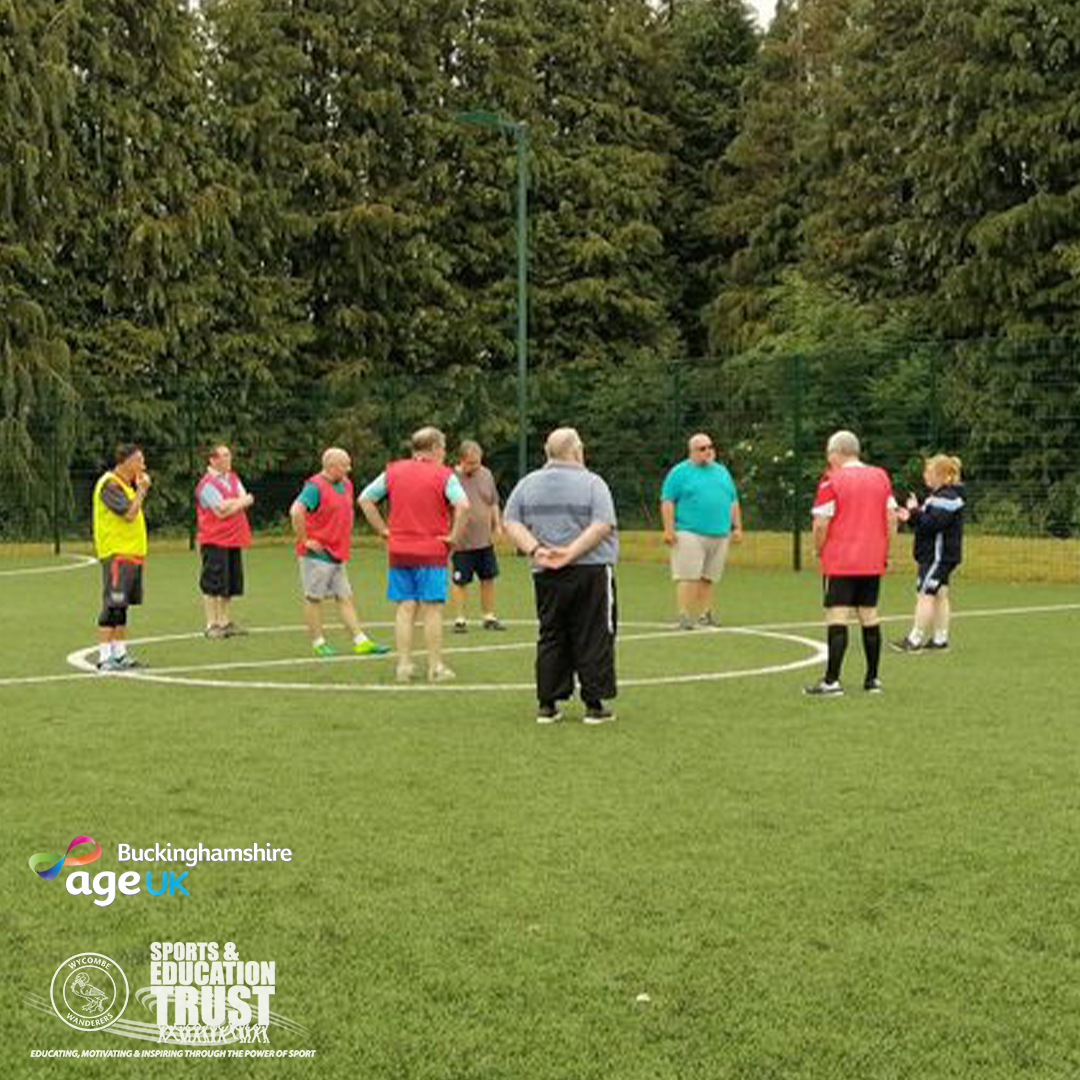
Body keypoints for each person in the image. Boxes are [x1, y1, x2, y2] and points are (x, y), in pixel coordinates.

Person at [503, 427, 618, 725]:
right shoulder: (593, 483)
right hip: (591, 569)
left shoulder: (527, 484)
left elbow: (510, 521)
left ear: (547, 452)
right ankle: (594, 704)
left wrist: (535, 549)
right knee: (594, 633)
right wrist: (572, 552)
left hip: (546, 572)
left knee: (552, 633)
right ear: (577, 450)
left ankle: (548, 704)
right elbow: (602, 524)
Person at [358, 427, 470, 683]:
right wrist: (453, 536)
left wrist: (383, 530)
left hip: (399, 550)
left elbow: (365, 499)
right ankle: (435, 667)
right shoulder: (444, 475)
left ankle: (404, 665)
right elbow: (463, 505)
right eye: (442, 448)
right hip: (431, 550)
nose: (444, 453)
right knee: (432, 609)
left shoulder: (393, 470)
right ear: (433, 449)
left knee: (405, 608)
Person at [805, 430, 897, 696]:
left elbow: (821, 523)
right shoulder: (880, 476)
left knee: (837, 615)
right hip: (871, 559)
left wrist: (817, 549)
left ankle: (832, 681)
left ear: (836, 453)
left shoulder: (830, 480)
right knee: (869, 614)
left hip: (841, 559)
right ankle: (872, 679)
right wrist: (886, 551)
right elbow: (891, 518)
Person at [289, 448, 389, 658]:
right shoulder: (314, 487)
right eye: (345, 465)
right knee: (314, 598)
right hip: (317, 555)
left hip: (338, 552)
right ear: (331, 466)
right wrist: (305, 539)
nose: (349, 469)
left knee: (345, 596)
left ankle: (360, 641)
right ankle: (319, 643)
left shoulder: (346, 484)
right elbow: (296, 510)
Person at [660, 433, 743, 629]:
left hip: (719, 533)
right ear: (692, 452)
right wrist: (669, 529)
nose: (708, 451)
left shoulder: (722, 472)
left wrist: (737, 527)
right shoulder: (679, 472)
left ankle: (705, 614)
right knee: (688, 575)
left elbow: (733, 501)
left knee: (709, 577)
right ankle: (684, 615)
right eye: (702, 448)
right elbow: (667, 501)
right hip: (690, 532)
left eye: (710, 447)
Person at [890, 454, 965, 653]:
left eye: (928, 472)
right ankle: (940, 640)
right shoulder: (938, 497)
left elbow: (933, 524)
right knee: (940, 594)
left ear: (942, 476)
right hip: (936, 555)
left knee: (924, 593)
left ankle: (914, 639)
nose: (925, 476)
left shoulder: (947, 498)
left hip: (937, 557)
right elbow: (925, 522)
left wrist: (915, 512)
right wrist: (910, 516)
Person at [92, 444, 152, 672]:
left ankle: (120, 654)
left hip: (132, 554)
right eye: (139, 460)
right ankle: (104, 656)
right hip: (117, 554)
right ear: (125, 462)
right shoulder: (110, 484)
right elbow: (128, 514)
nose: (143, 466)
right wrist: (142, 490)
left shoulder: (126, 486)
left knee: (122, 607)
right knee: (112, 604)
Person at [196, 444, 254, 638]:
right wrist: (239, 502)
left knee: (229, 583)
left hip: (233, 538)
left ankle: (225, 622)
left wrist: (233, 504)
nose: (229, 459)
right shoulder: (206, 485)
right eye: (224, 456)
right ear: (213, 460)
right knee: (213, 582)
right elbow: (220, 511)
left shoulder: (233, 478)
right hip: (214, 540)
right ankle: (211, 624)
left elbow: (247, 499)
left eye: (229, 455)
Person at [450, 440, 505, 633]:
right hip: (462, 542)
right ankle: (460, 619)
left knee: (488, 578)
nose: (475, 467)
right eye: (471, 463)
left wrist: (497, 525)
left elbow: (493, 502)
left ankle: (489, 617)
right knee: (460, 581)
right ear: (461, 460)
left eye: (478, 462)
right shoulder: (450, 478)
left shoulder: (486, 474)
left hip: (485, 540)